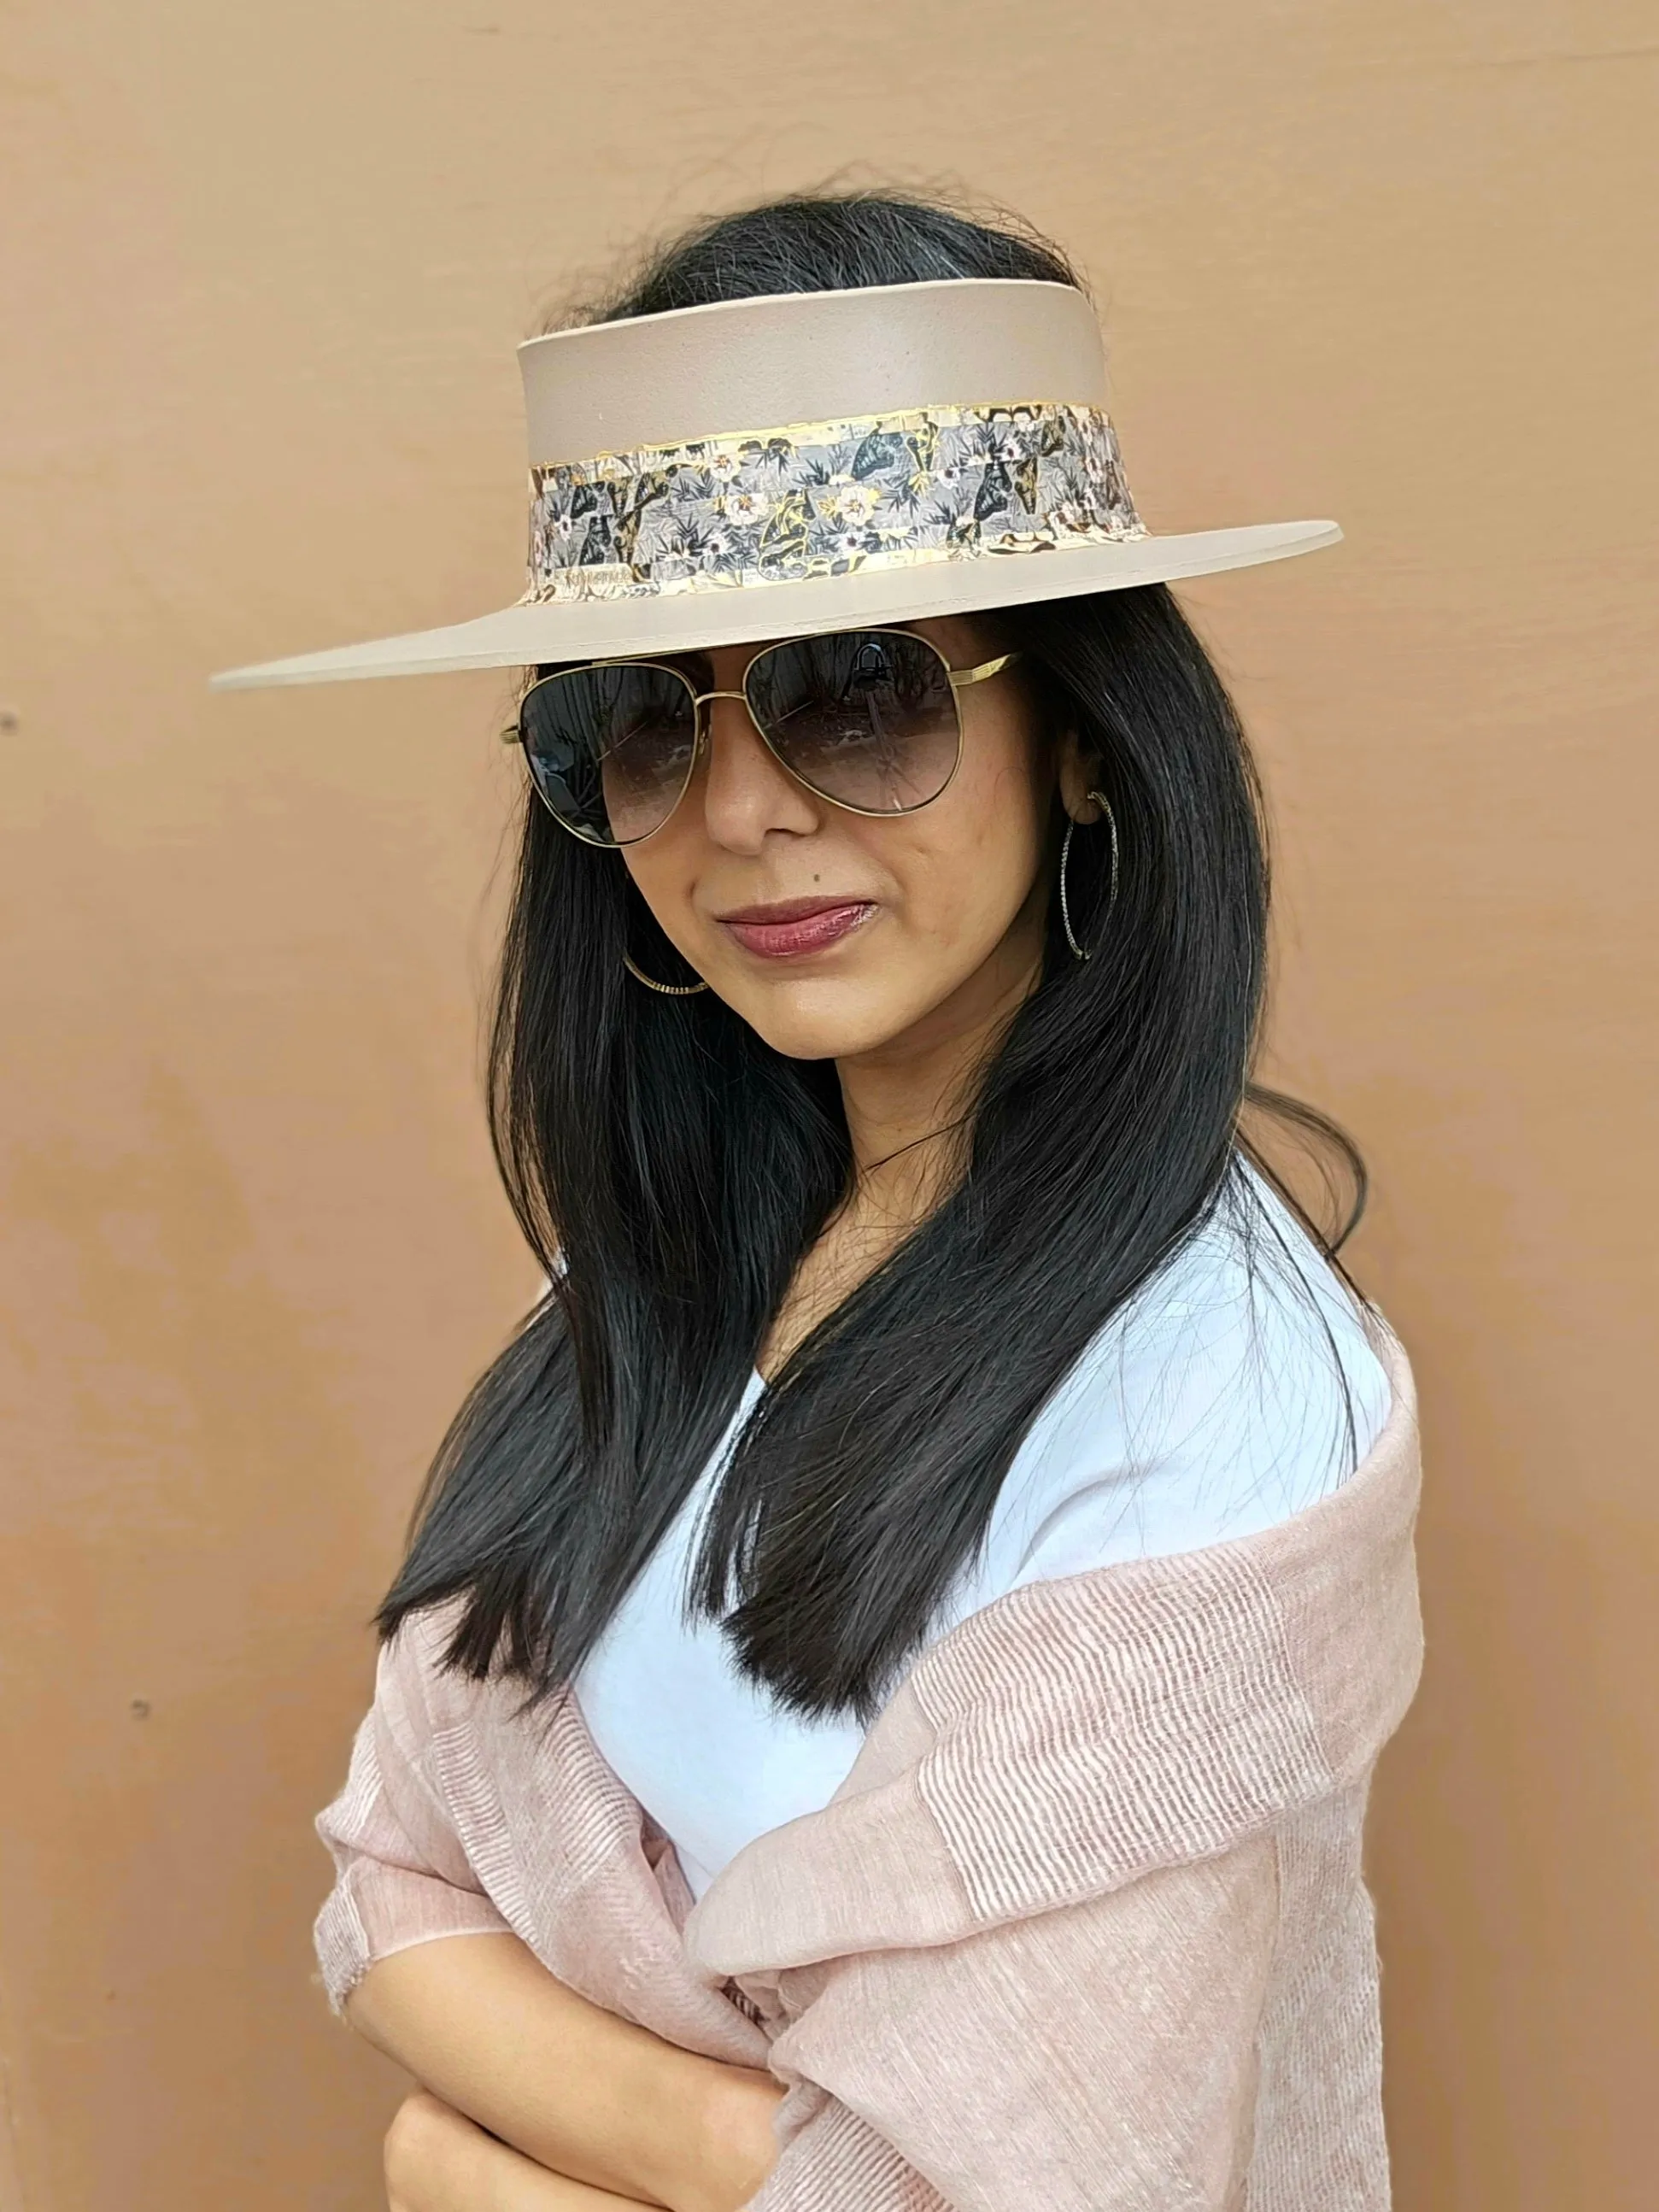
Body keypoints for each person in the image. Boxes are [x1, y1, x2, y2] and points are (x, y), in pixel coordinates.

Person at [214, 191, 1424, 2211]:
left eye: (857, 692)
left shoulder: (1216, 1397)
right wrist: (740, 2145)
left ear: (1088, 744)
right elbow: (391, 1863)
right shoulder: (665, 1279)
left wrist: (461, 2164)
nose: (743, 807)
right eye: (637, 720)